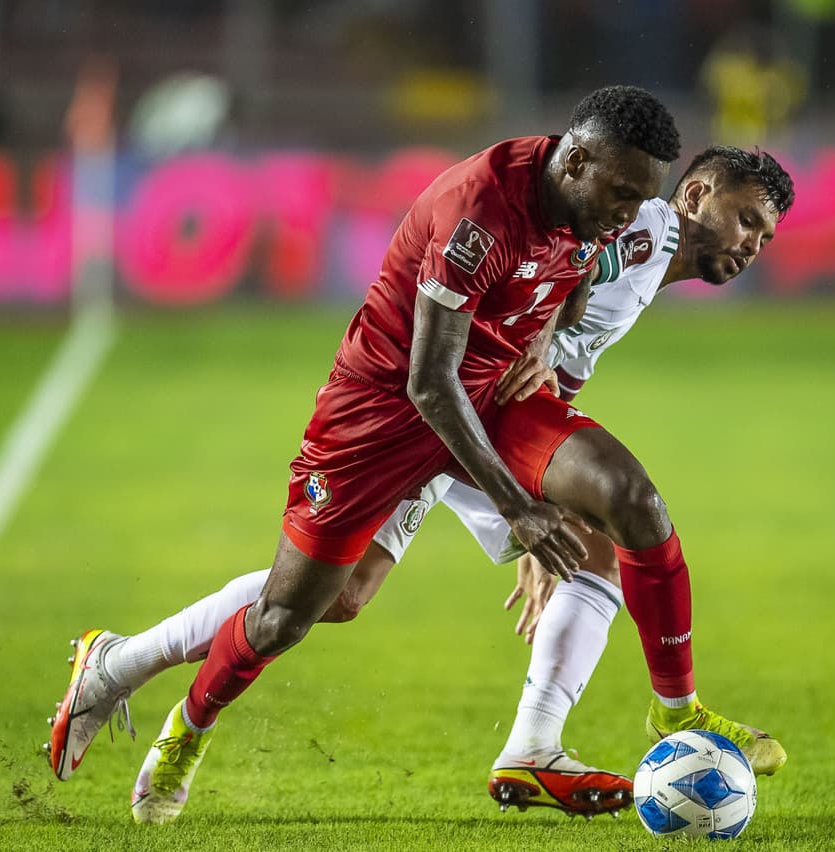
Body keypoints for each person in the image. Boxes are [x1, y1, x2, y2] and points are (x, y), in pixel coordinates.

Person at [49, 87, 779, 826]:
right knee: (304, 609)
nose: (627, 211)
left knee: (623, 509)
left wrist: (550, 341)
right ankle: (154, 695)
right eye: (747, 219)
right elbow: (430, 380)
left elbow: (583, 282)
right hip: (388, 413)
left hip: (490, 400)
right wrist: (522, 507)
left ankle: (567, 738)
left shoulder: (605, 210)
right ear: (591, 164)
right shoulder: (506, 213)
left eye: (765, 234)